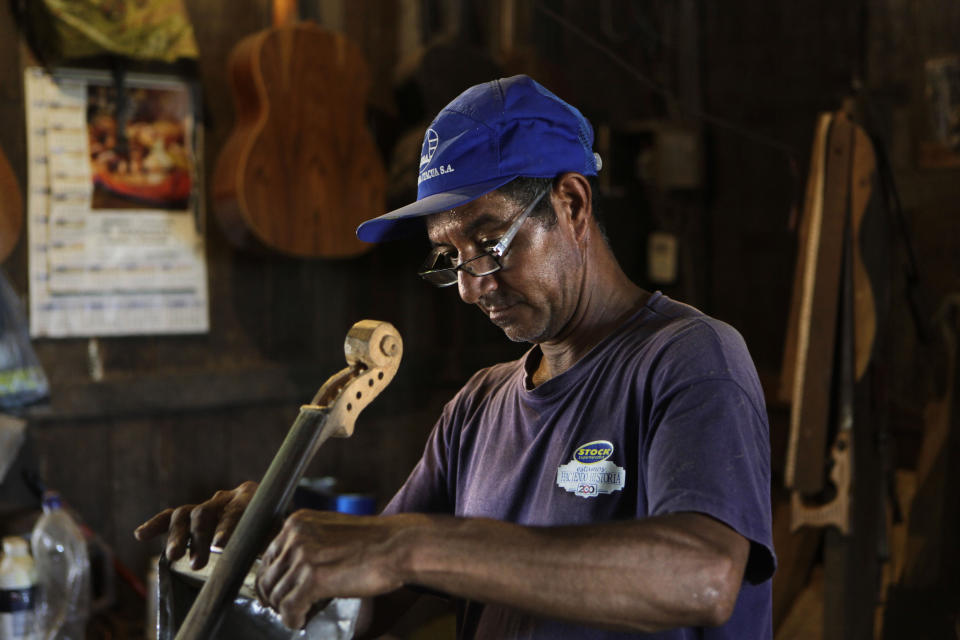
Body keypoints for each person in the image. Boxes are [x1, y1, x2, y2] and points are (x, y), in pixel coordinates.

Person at [136, 75, 775, 639]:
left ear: (572, 205)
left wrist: (409, 544)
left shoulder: (688, 358)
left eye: (489, 241)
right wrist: (267, 545)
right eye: (450, 256)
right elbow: (363, 604)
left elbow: (707, 575)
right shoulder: (478, 407)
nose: (470, 285)